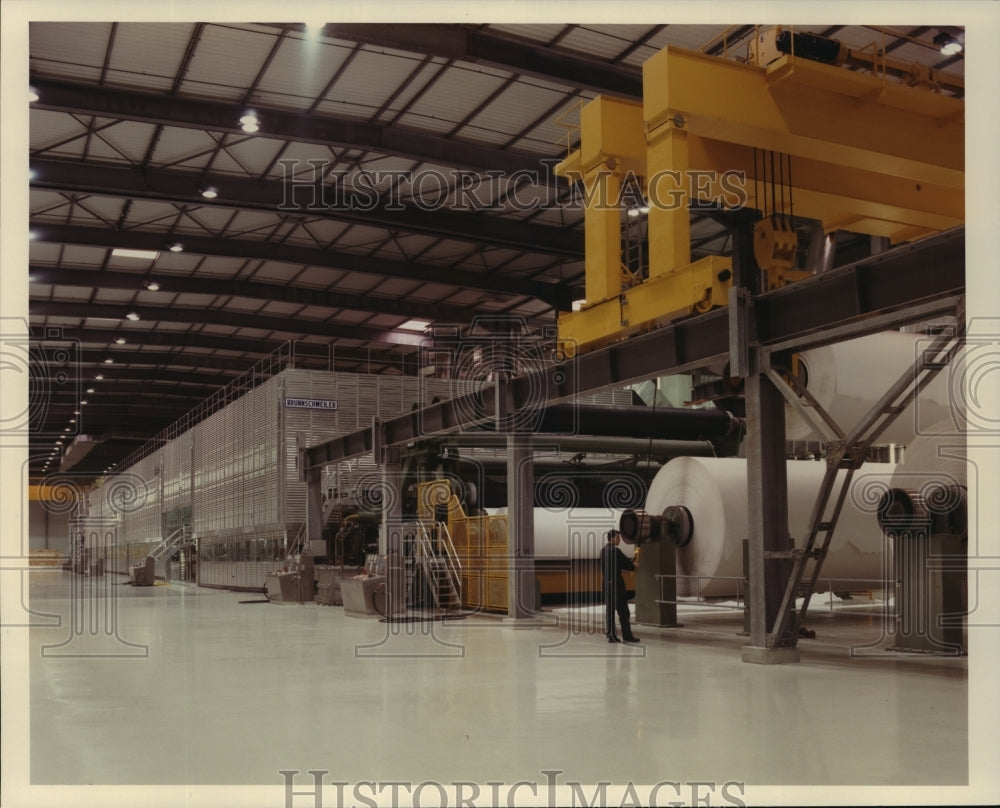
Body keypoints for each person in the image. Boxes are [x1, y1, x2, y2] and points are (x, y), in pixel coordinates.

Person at [599, 529, 639, 643]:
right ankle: (627, 636)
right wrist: (634, 565)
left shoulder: (603, 551)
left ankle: (611, 635)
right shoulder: (616, 551)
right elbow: (629, 566)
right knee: (623, 612)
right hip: (617, 586)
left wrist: (630, 563)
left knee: (610, 611)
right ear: (611, 538)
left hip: (606, 585)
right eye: (618, 538)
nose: (619, 540)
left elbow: (619, 563)